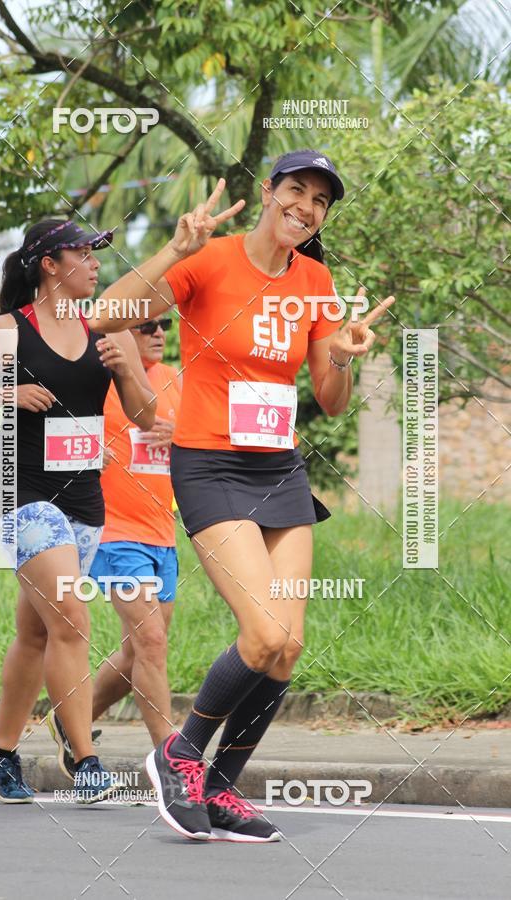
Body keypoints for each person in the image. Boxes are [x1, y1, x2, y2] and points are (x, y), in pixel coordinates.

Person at [89, 148, 395, 841]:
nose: (307, 207)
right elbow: (107, 315)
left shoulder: (316, 279)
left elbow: (330, 399)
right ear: (268, 192)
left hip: (279, 470)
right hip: (210, 466)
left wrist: (343, 353)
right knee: (263, 634)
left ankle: (221, 789)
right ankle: (181, 753)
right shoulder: (210, 259)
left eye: (320, 200)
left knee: (287, 649)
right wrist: (174, 247)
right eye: (297, 190)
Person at [0, 219, 156, 803]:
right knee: (72, 622)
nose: (93, 262)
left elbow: (144, 419)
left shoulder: (107, 330)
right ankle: (84, 761)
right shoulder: (4, 333)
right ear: (48, 264)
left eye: (96, 252)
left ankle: (0, 750)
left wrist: (127, 369)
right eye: (81, 252)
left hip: (84, 500)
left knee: (36, 633)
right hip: (20, 495)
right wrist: (5, 394)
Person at [47, 314, 182, 778]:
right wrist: (86, 450)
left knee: (135, 652)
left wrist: (178, 438)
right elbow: (49, 435)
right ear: (121, 334)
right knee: (151, 641)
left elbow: (189, 446)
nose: (159, 333)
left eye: (164, 324)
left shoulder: (173, 381)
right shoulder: (97, 380)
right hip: (114, 531)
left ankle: (70, 723)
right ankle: (173, 762)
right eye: (147, 326)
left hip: (161, 534)